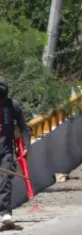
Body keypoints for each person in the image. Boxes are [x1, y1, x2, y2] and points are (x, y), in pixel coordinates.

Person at [0, 77, 30, 227]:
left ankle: (5, 212)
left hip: (6, 151)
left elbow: (24, 127)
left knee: (5, 180)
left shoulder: (12, 106)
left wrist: (25, 146)